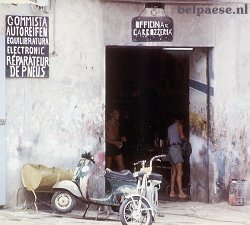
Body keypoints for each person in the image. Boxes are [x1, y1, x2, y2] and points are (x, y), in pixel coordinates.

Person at [167, 115, 188, 199]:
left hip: (171, 150)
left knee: (173, 172)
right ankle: (180, 192)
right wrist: (187, 140)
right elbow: (182, 136)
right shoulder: (179, 125)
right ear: (180, 120)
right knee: (180, 172)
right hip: (176, 149)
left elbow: (168, 140)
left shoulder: (169, 128)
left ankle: (172, 192)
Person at [105, 106, 127, 171]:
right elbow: (103, 138)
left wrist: (121, 138)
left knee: (121, 166)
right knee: (108, 168)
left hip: (116, 146)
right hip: (109, 145)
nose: (118, 115)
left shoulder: (117, 123)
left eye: (118, 113)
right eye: (116, 113)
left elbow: (116, 135)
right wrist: (114, 142)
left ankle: (124, 180)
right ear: (111, 114)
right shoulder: (107, 124)